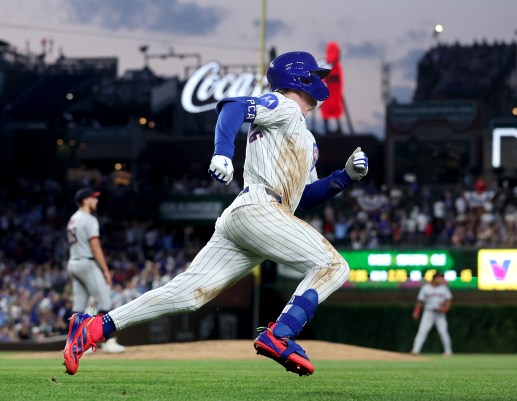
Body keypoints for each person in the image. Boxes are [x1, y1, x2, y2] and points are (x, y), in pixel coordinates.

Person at [63, 51, 369, 376]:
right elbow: (232, 106)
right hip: (260, 208)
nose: (322, 81)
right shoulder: (285, 105)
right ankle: (281, 334)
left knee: (188, 294)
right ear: (301, 78)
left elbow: (305, 197)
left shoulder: (304, 135)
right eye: (316, 75)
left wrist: (343, 178)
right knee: (333, 266)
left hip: (254, 215)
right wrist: (223, 153)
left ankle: (94, 327)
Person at [66, 188, 126, 353]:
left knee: (79, 306)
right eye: (93, 198)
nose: (96, 201)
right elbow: (95, 247)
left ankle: (74, 344)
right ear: (86, 200)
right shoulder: (89, 219)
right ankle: (107, 341)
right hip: (87, 262)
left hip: (73, 263)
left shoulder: (73, 219)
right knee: (105, 302)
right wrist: (105, 270)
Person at [411, 272, 453, 356]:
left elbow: (449, 300)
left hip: (440, 313)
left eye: (441, 278)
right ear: (434, 278)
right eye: (439, 278)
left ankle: (448, 351)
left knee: (443, 332)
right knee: (422, 331)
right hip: (428, 312)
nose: (441, 280)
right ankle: (415, 350)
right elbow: (420, 301)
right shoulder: (426, 288)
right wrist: (416, 312)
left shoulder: (443, 288)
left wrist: (446, 308)